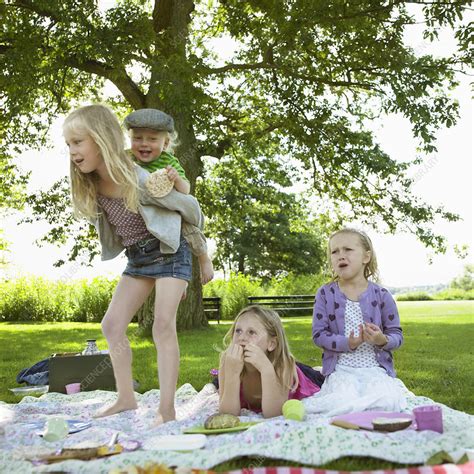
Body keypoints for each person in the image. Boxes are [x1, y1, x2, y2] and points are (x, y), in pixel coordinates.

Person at [63, 104, 204, 423]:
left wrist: (197, 261)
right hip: (138, 258)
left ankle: (166, 410)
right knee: (111, 325)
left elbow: (192, 210)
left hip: (170, 251)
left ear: (100, 140)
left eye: (78, 142)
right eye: (69, 144)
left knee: (162, 325)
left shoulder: (139, 178)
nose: (72, 151)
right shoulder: (93, 182)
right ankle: (126, 398)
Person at [310, 228, 410, 416]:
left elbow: (397, 334)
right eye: (334, 251)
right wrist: (348, 343)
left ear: (366, 257)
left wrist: (382, 340)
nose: (340, 255)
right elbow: (318, 335)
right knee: (342, 400)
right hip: (341, 370)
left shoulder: (382, 295)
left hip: (374, 370)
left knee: (388, 402)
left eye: (347, 249)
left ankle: (365, 414)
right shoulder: (325, 294)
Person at [124, 108, 214, 284]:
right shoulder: (127, 159)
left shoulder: (168, 161)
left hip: (169, 207)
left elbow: (186, 190)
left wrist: (176, 179)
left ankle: (203, 258)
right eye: (138, 138)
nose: (144, 144)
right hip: (145, 211)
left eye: (152, 139)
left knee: (187, 228)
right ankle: (175, 277)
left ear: (165, 144)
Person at [217, 305, 323, 418]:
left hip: (302, 378)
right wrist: (232, 374)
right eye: (238, 331)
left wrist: (266, 370)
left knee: (321, 377)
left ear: (271, 344)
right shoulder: (227, 362)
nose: (242, 337)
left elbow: (273, 414)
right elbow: (228, 415)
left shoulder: (282, 364)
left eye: (251, 332)